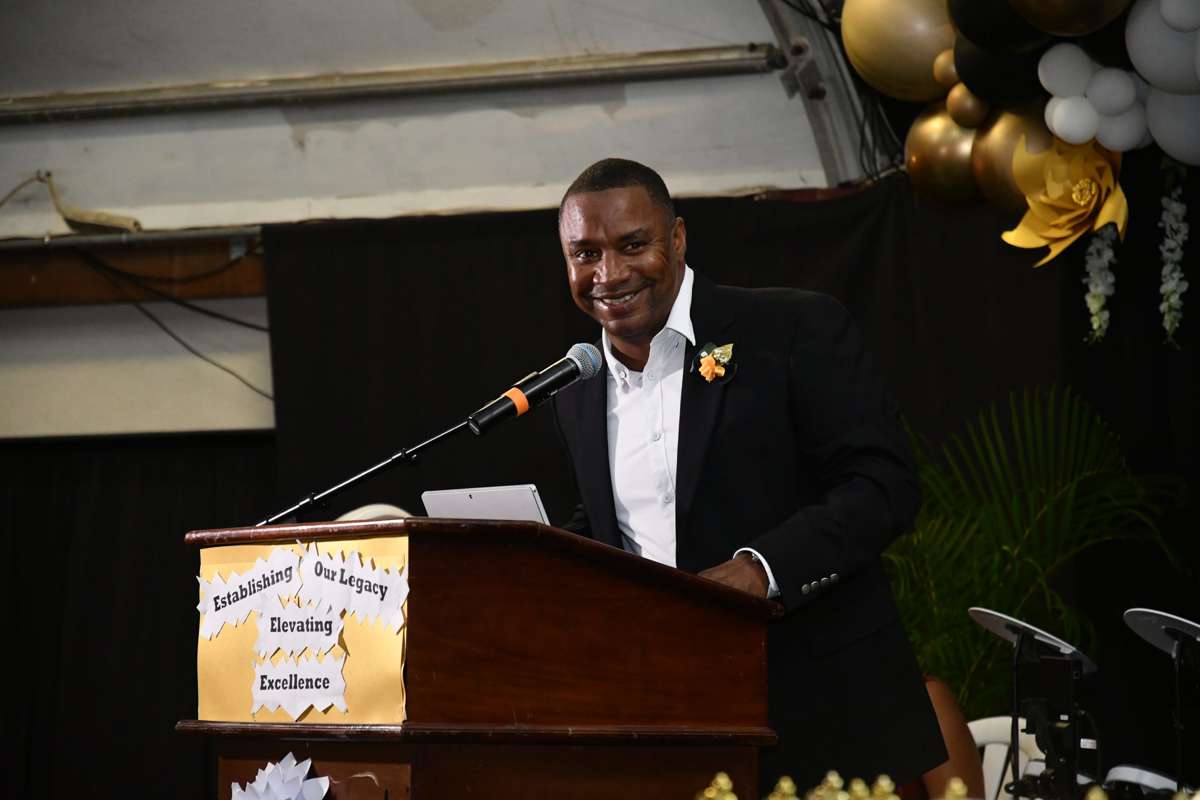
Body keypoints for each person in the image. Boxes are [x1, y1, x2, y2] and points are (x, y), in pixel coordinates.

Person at [550, 158, 947, 789]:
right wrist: (528, 558)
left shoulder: (790, 328)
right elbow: (612, 524)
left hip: (820, 709)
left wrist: (763, 569)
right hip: (664, 721)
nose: (610, 273)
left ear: (678, 238)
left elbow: (883, 484)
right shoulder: (576, 390)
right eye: (586, 253)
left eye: (632, 245)